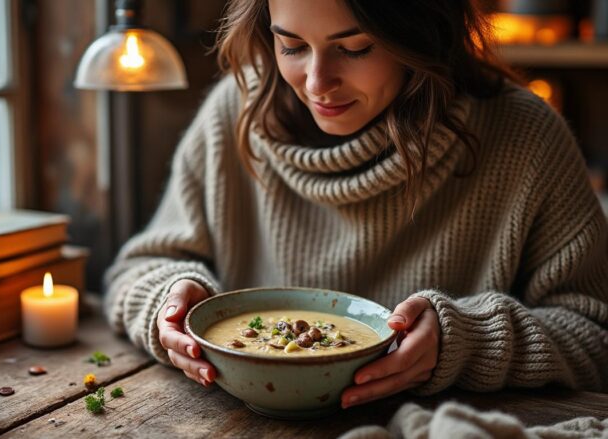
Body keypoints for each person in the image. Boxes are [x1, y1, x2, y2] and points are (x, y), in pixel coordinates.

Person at [104, 0, 608, 416]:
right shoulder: (235, 111)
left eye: (354, 48)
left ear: (421, 34)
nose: (318, 83)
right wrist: (169, 301)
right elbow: (138, 268)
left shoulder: (524, 137)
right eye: (292, 46)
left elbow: (595, 336)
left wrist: (467, 342)